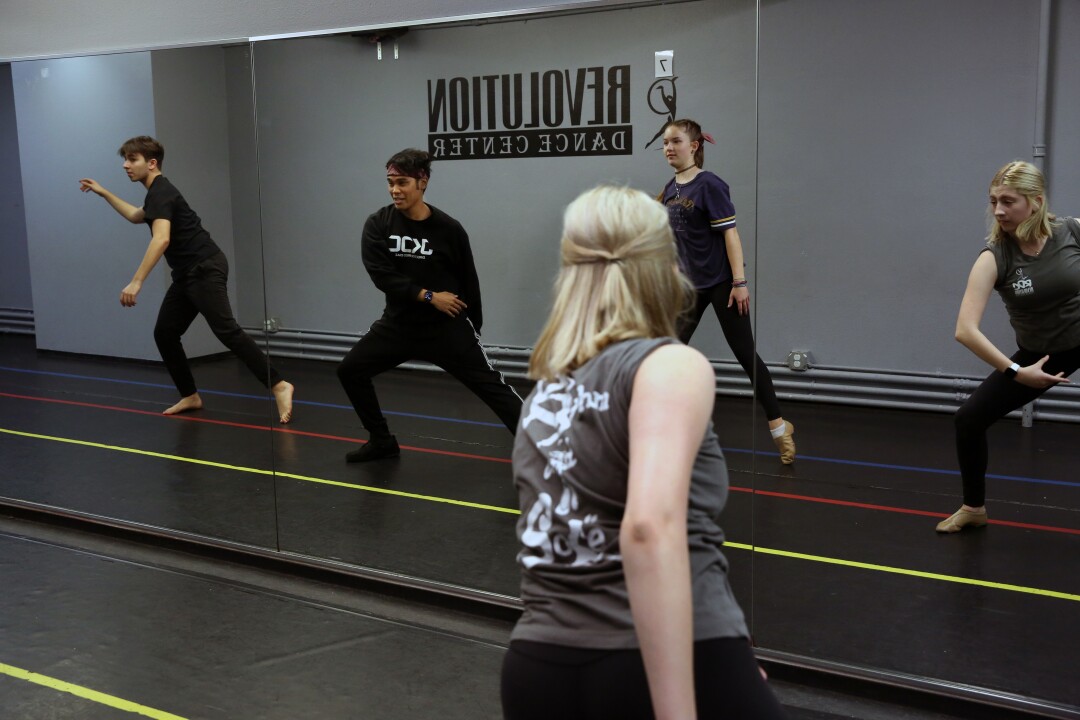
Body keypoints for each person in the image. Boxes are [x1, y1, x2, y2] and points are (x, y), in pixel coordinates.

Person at [502, 186, 786, 719]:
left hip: (538, 663)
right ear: (667, 267)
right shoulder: (667, 366)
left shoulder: (546, 391)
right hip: (655, 658)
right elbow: (649, 529)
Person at [79, 136, 294, 423]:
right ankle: (190, 395)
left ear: (151, 163)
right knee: (165, 333)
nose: (125, 166)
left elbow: (161, 239)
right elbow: (136, 215)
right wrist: (104, 192)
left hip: (203, 268)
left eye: (132, 159)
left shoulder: (162, 192)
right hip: (188, 273)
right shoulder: (156, 193)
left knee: (226, 330)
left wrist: (136, 281)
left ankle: (279, 385)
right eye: (125, 160)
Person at [337, 148, 523, 462]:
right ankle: (381, 441)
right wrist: (428, 296)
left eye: (403, 183)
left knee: (494, 388)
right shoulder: (379, 224)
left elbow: (469, 280)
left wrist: (472, 329)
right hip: (398, 326)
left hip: (445, 329)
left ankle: (543, 448)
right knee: (350, 371)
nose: (395, 190)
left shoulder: (449, 229)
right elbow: (382, 276)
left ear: (422, 182)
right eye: (390, 183)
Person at [940, 161, 1079, 533]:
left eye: (1008, 201)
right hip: (1042, 355)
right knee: (969, 419)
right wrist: (1017, 372)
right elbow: (965, 330)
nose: (998, 210)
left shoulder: (1071, 231)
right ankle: (973, 508)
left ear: (1035, 202)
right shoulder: (995, 257)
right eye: (993, 201)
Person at [658, 118, 796, 464]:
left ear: (694, 146)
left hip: (722, 284)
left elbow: (730, 235)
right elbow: (674, 241)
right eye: (665, 143)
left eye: (675, 141)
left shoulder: (710, 185)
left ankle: (780, 427)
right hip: (690, 287)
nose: (669, 148)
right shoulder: (671, 188)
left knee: (745, 355)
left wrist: (739, 283)